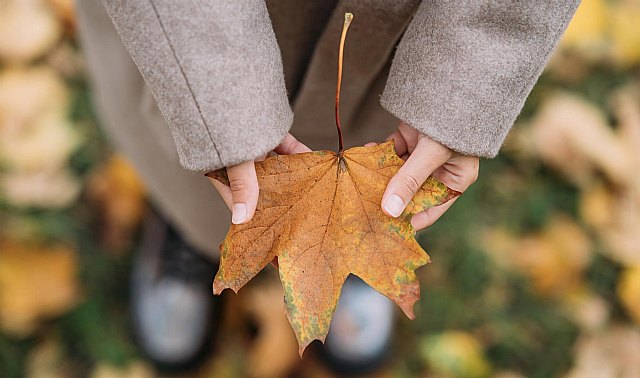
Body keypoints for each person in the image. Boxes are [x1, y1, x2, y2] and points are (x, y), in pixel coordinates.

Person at [75, 0, 579, 373]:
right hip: (191, 23)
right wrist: (217, 107)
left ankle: (361, 247)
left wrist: (462, 87)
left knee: (390, 165)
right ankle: (184, 225)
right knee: (199, 157)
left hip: (405, 40)